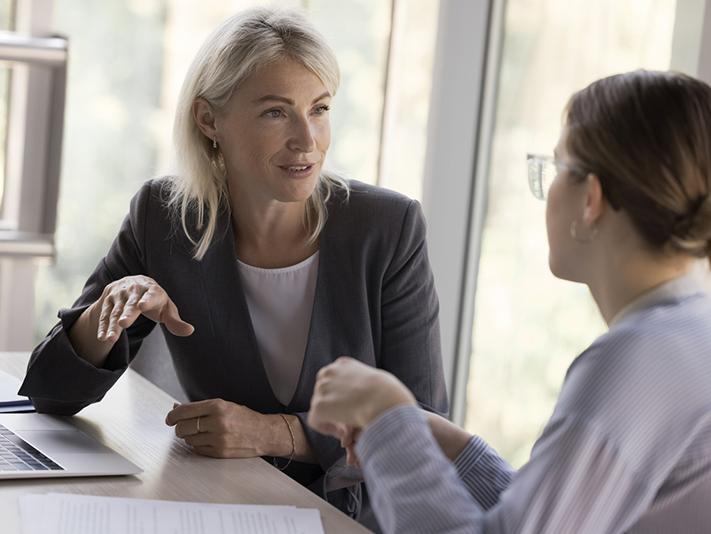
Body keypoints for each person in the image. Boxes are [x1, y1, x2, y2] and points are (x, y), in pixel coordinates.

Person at [18, 7, 447, 521]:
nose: (307, 141)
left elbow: (424, 424)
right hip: (221, 505)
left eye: (319, 108)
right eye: (275, 112)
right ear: (208, 119)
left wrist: (274, 432)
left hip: (359, 518)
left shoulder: (387, 227)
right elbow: (48, 393)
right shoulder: (165, 217)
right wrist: (104, 317)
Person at [308, 70, 711, 533]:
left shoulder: (638, 359)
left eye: (557, 168)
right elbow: (556, 516)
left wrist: (387, 416)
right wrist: (446, 444)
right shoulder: (687, 333)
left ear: (591, 200)